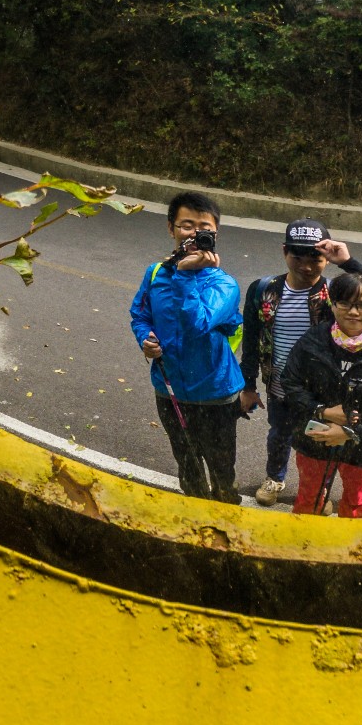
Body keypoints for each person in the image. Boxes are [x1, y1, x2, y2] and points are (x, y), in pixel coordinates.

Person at [128, 191, 256, 504]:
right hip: (168, 387)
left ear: (214, 234)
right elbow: (140, 313)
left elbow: (197, 323)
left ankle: (226, 508)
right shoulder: (156, 272)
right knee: (186, 460)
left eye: (203, 228)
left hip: (215, 393)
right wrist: (145, 339)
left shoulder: (223, 284)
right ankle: (194, 509)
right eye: (186, 225)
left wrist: (186, 274)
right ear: (171, 228)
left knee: (221, 464)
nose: (194, 233)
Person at [240, 220, 362, 506]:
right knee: (279, 434)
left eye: (316, 257)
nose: (307, 265)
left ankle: (316, 494)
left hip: (321, 392)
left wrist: (349, 263)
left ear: (327, 257)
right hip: (278, 387)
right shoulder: (263, 290)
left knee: (319, 441)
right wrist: (248, 385)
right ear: (284, 252)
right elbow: (251, 339)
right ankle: (275, 478)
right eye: (297, 256)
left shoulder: (337, 295)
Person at [281, 269, 362, 519]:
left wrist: (351, 431)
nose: (353, 312)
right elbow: (290, 383)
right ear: (332, 303)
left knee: (355, 505)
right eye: (345, 303)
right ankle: (302, 549)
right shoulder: (311, 341)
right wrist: (322, 411)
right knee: (309, 500)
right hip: (314, 438)